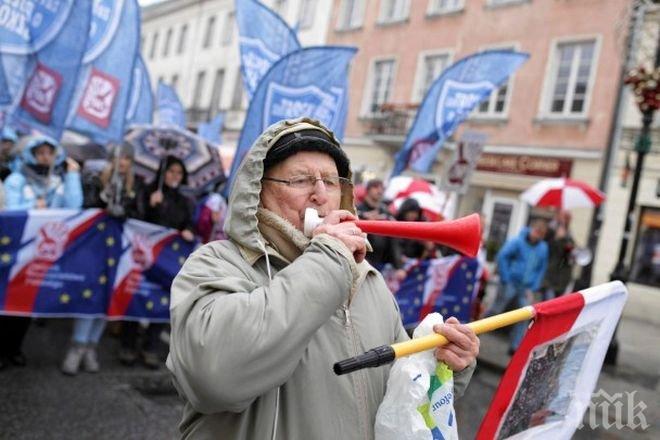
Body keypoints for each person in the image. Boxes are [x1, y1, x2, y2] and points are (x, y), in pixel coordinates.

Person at [166, 118, 479, 439]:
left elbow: (401, 401)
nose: (320, 194)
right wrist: (329, 259)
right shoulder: (217, 263)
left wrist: (443, 366)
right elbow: (214, 380)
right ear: (257, 192)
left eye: (331, 182)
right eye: (301, 180)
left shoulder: (368, 279)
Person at [60, 143, 143, 376]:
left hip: (120, 250)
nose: (123, 162)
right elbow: (86, 208)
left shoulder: (135, 186)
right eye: (119, 157)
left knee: (109, 297)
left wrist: (126, 208)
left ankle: (90, 347)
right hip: (96, 248)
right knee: (91, 294)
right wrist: (103, 199)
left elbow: (140, 214)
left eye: (127, 158)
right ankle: (77, 346)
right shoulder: (98, 180)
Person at [0, 135, 83, 370]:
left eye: (50, 153)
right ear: (32, 155)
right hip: (14, 252)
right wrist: (32, 208)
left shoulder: (57, 180)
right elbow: (7, 211)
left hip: (41, 254)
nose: (46, 157)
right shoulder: (17, 179)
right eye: (41, 153)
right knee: (6, 300)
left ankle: (14, 348)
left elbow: (74, 207)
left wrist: (73, 175)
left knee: (27, 301)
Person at [119, 155, 195, 369]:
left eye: (179, 173)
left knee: (162, 300)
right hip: (143, 257)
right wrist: (151, 207)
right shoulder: (146, 191)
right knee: (137, 295)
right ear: (163, 173)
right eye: (171, 171)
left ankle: (150, 347)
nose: (175, 176)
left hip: (167, 261)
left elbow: (189, 223)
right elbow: (135, 219)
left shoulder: (184, 201)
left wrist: (189, 230)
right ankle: (128, 345)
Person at [489, 219, 549, 354]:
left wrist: (534, 286)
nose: (537, 235)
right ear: (531, 229)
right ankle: (475, 332)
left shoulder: (543, 248)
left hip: (526, 287)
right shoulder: (517, 241)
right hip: (510, 282)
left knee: (524, 315)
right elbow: (502, 256)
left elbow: (541, 268)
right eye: (536, 231)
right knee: (496, 309)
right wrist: (505, 277)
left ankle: (514, 346)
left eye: (541, 234)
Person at [356, 178, 399, 269]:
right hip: (361, 259)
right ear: (368, 190)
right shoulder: (358, 209)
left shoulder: (385, 211)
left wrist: (397, 265)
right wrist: (364, 218)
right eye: (376, 187)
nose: (379, 191)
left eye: (382, 188)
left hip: (381, 262)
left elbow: (394, 237)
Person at [543, 211, 575, 299]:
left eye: (568, 218)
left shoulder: (569, 236)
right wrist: (558, 239)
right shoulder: (551, 232)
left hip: (563, 279)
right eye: (566, 217)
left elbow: (568, 255)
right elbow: (549, 248)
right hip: (550, 278)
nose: (567, 220)